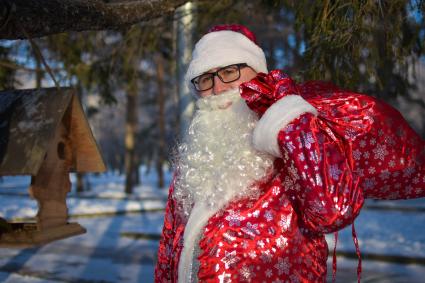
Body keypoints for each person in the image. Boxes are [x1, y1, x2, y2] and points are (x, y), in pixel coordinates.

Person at [155, 24, 425, 283]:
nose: (217, 88)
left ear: (258, 73)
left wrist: (289, 122)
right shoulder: (197, 157)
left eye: (228, 72)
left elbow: (335, 210)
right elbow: (169, 243)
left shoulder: (293, 139)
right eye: (205, 79)